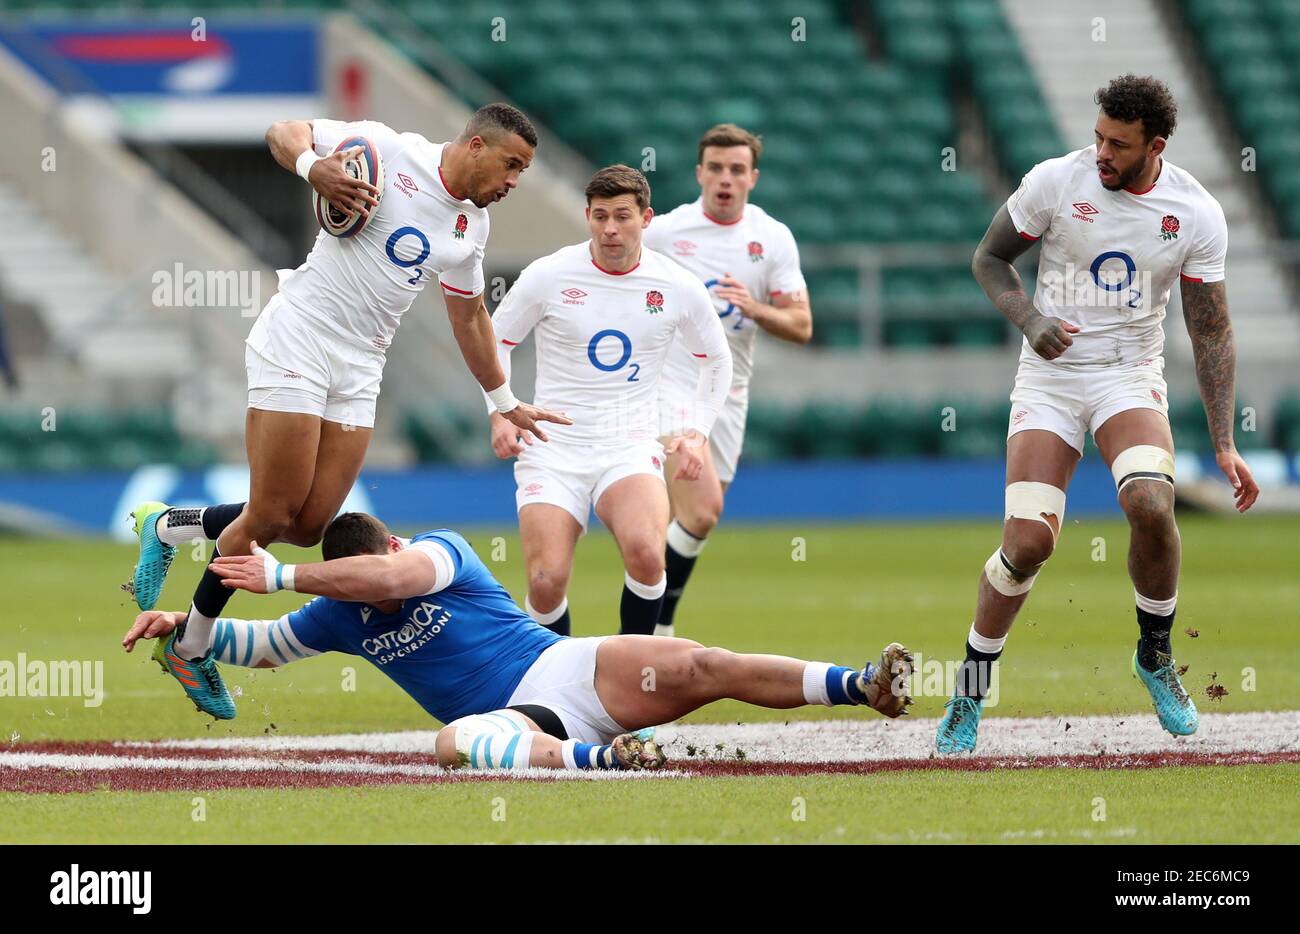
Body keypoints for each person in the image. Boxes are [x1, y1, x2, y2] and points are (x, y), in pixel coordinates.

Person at [129, 103, 569, 720]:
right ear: (475, 146)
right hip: (301, 337)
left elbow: (469, 316)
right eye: (512, 165)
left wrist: (503, 401)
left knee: (309, 527)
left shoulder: (472, 229)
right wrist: (315, 169)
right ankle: (191, 646)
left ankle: (168, 526)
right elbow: (280, 131)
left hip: (362, 366)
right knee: (271, 511)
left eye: (523, 172)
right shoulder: (389, 151)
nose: (514, 182)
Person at [935, 75, 1259, 754]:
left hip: (1128, 376)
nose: (1102, 152)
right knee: (1027, 546)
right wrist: (1029, 319)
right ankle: (970, 687)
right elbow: (989, 258)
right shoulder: (1057, 181)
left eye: (1119, 144)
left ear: (1156, 146)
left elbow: (1211, 331)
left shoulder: (1195, 213)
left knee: (1149, 502)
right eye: (1099, 137)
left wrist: (1225, 443)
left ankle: (1155, 655)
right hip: (1050, 377)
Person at [122, 512, 913, 771]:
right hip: (523, 719)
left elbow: (394, 583)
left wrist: (287, 578)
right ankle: (603, 762)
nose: (380, 568)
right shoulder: (336, 612)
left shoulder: (437, 552)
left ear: (391, 542)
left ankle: (862, 683)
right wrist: (185, 628)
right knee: (450, 745)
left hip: (567, 664)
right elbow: (264, 648)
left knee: (706, 663)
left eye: (376, 559)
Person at [484, 165, 732, 637]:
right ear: (587, 217)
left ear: (647, 218)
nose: (610, 229)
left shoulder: (676, 285)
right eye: (600, 217)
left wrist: (698, 432)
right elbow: (495, 341)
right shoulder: (549, 275)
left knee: (645, 551)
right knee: (545, 582)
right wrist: (500, 410)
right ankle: (560, 686)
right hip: (552, 445)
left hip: (629, 443)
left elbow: (716, 360)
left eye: (622, 216)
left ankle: (634, 680)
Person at [644, 124, 812, 637]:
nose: (725, 179)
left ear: (752, 178)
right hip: (670, 389)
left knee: (689, 524)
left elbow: (802, 325)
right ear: (699, 173)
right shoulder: (666, 233)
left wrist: (755, 307)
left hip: (729, 394)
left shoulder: (771, 237)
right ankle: (654, 631)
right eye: (715, 168)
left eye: (736, 169)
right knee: (704, 509)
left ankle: (649, 622)